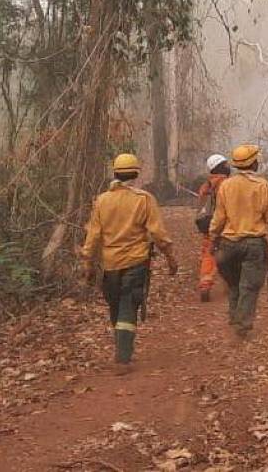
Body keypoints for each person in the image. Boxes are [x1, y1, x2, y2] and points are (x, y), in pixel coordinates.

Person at [80, 153, 178, 374]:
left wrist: (87, 263)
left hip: (110, 265)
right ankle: (123, 358)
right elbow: (158, 233)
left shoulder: (102, 200)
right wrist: (171, 257)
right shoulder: (144, 199)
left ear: (115, 172)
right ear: (136, 173)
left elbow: (93, 236)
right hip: (135, 262)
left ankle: (122, 350)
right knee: (127, 306)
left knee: (116, 306)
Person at [210, 143, 268, 339]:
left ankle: (234, 316)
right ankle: (243, 323)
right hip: (253, 244)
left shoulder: (226, 186)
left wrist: (213, 238)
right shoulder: (262, 186)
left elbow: (219, 217)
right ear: (254, 163)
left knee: (234, 283)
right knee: (250, 285)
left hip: (227, 244)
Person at [194, 153, 231, 302]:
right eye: (225, 164)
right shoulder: (228, 184)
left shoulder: (206, 185)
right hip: (226, 227)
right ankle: (230, 285)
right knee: (230, 255)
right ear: (220, 167)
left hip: (208, 227)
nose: (228, 167)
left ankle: (205, 284)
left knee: (208, 255)